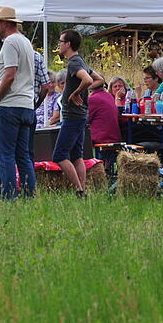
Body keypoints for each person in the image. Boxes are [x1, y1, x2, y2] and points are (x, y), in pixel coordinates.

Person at [0, 6, 36, 200]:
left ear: (5, 23)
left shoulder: (9, 42)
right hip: (26, 104)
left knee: (5, 155)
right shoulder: (26, 42)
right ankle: (28, 195)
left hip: (9, 105)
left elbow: (10, 75)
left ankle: (9, 197)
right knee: (23, 155)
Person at [52, 29, 103, 197]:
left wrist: (75, 93)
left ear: (68, 44)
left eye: (61, 41)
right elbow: (99, 80)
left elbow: (88, 80)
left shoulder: (74, 62)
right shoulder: (80, 60)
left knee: (59, 155)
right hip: (80, 115)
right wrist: (80, 91)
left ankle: (79, 190)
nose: (59, 44)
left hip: (73, 116)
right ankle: (82, 190)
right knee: (76, 155)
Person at [88, 78, 123, 181]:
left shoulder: (93, 99)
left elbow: (85, 120)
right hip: (114, 136)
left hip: (102, 137)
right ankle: (106, 170)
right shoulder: (108, 95)